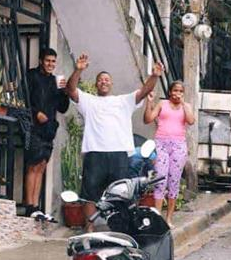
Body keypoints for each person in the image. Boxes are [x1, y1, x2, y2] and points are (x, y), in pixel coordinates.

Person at [64, 53, 164, 231]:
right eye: (100, 80)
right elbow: (71, 90)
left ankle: (120, 228)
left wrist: (154, 76)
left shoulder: (123, 101)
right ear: (96, 84)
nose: (104, 82)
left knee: (122, 194)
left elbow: (144, 92)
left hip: (119, 154)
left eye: (107, 79)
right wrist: (78, 70)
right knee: (90, 195)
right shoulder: (89, 100)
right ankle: (89, 228)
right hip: (95, 154)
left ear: (111, 84)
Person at [23, 48, 69, 217]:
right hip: (34, 126)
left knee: (42, 165)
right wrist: (36, 113)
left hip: (49, 129)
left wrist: (64, 92)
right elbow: (24, 99)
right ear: (41, 60)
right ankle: (30, 206)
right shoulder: (31, 76)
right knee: (33, 165)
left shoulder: (55, 81)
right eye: (48, 61)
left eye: (53, 62)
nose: (51, 64)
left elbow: (63, 107)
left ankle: (36, 205)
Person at [143, 81, 195, 227]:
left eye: (180, 91)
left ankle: (169, 218)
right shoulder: (162, 104)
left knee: (174, 181)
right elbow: (147, 119)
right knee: (160, 180)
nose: (177, 94)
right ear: (170, 91)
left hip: (178, 146)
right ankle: (158, 217)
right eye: (175, 90)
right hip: (162, 144)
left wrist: (184, 104)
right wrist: (149, 102)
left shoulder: (186, 106)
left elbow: (191, 121)